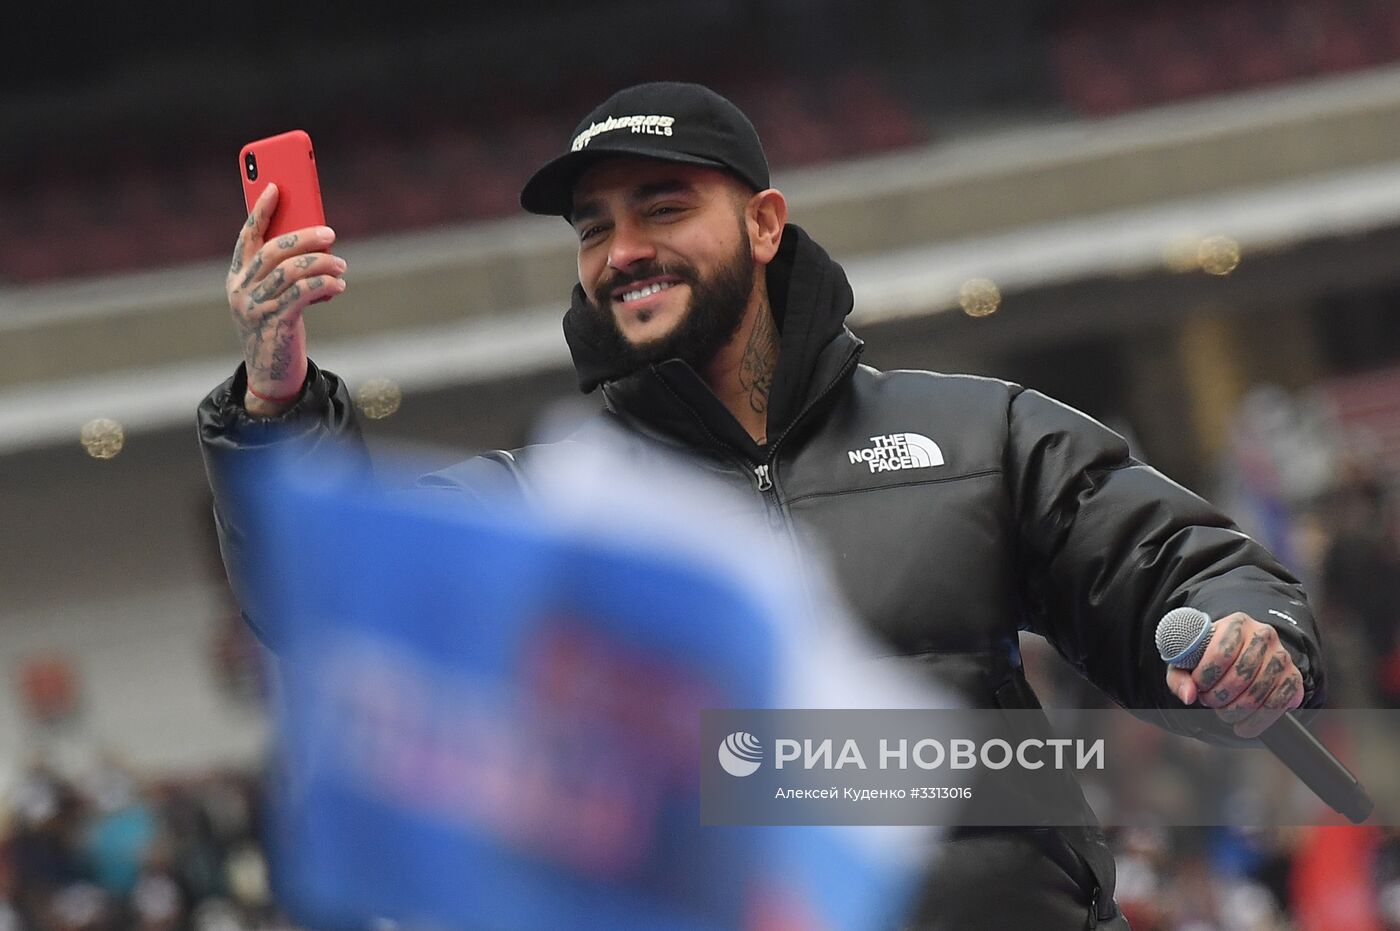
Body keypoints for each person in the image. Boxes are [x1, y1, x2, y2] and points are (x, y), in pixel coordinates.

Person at [198, 82, 1326, 929]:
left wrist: (1247, 635)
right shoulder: (556, 504)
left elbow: (1176, 565)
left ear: (763, 222)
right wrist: (275, 391)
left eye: (661, 207)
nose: (622, 250)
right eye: (593, 228)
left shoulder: (970, 433)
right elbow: (330, 596)